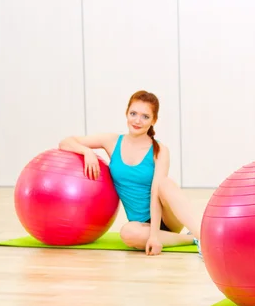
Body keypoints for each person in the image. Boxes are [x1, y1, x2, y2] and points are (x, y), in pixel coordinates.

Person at [59, 90, 201, 256]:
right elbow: (66, 142)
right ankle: (190, 239)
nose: (137, 121)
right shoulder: (112, 142)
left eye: (145, 116)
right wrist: (86, 151)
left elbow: (156, 192)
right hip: (140, 226)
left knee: (164, 183)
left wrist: (154, 236)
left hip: (166, 218)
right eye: (133, 113)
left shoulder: (160, 150)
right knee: (127, 233)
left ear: (154, 120)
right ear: (126, 113)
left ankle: (202, 238)